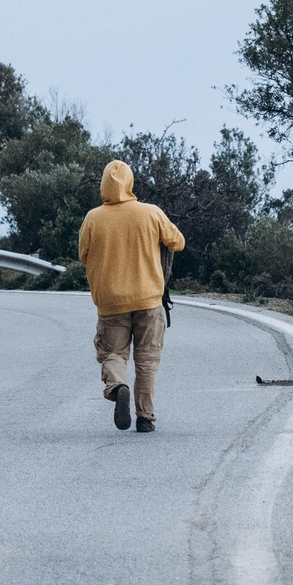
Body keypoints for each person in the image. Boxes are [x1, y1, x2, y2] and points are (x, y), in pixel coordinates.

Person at [77, 159, 186, 433]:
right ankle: (145, 417)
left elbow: (83, 254)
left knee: (113, 353)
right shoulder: (150, 213)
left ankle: (118, 385)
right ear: (130, 183)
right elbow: (178, 242)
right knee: (147, 360)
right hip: (149, 299)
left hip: (111, 301)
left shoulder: (93, 218)